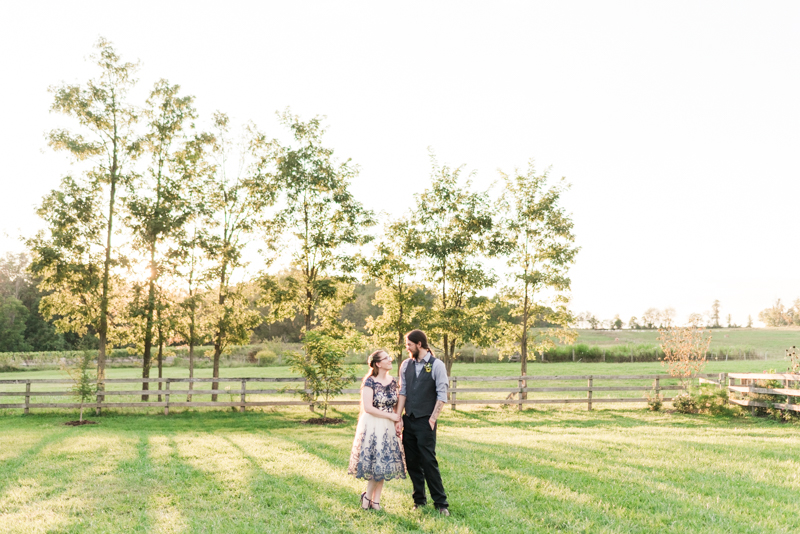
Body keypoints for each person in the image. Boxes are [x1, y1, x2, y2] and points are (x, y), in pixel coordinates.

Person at [394, 329, 450, 516]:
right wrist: (399, 418)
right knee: (411, 462)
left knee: (428, 461)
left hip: (426, 421)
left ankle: (441, 503)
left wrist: (433, 418)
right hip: (408, 420)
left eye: (409, 344)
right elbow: (403, 392)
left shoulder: (437, 365)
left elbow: (442, 395)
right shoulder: (405, 365)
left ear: (419, 344)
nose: (407, 348)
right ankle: (419, 500)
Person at [348, 349, 406, 510]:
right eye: (387, 358)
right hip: (374, 424)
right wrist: (390, 416)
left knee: (384, 464)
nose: (390, 360)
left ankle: (376, 501)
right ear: (378, 364)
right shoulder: (370, 381)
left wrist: (397, 419)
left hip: (388, 426)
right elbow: (368, 408)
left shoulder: (393, 381)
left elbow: (396, 403)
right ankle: (367, 498)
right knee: (376, 464)